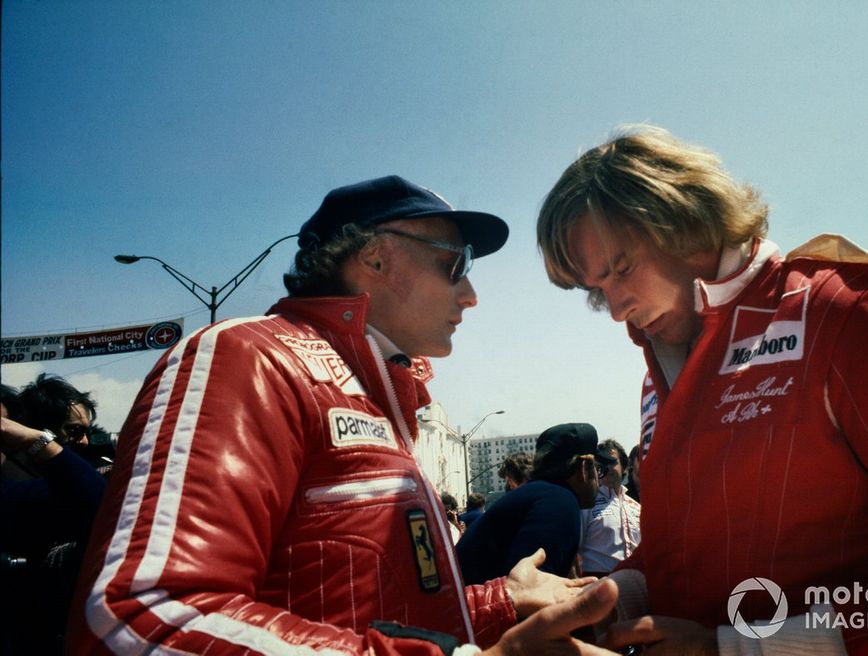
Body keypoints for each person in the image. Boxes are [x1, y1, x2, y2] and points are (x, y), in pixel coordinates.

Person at [68, 175, 618, 656]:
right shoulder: (250, 358)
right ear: (375, 259)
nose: (471, 294)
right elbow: (142, 619)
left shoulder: (380, 393)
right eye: (455, 263)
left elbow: (360, 613)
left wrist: (501, 601)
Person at [537, 126, 868, 654]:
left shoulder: (848, 308)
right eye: (597, 291)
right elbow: (695, 550)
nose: (617, 308)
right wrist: (613, 601)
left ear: (688, 222)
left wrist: (745, 648)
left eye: (622, 269)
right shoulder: (661, 370)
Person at [1, 378, 107, 655]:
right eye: (73, 431)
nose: (83, 441)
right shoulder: (17, 485)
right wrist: (40, 442)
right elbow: (101, 506)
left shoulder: (68, 476)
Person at [457, 423, 616, 585]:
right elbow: (529, 593)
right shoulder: (560, 501)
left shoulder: (544, 496)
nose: (599, 478)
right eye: (598, 469)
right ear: (583, 469)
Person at [578, 439, 641, 577]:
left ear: (624, 466)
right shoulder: (587, 504)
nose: (607, 468)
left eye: (612, 462)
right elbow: (574, 551)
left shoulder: (636, 507)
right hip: (597, 583)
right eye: (601, 464)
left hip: (634, 581)